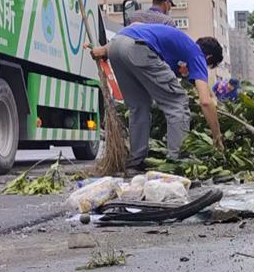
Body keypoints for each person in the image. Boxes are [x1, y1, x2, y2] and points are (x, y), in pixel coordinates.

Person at [91, 23, 224, 171]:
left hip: (116, 46)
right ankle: (177, 162)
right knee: (178, 103)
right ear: (208, 57)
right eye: (207, 65)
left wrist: (104, 49)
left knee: (138, 106)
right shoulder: (196, 53)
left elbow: (135, 26)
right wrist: (217, 136)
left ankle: (135, 163)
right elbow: (205, 101)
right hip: (138, 49)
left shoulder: (177, 46)